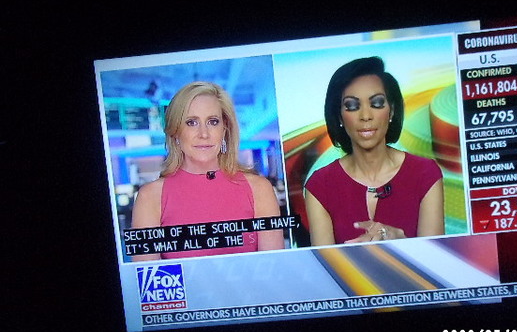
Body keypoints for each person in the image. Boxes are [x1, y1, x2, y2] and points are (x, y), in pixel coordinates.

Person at [131, 81, 284, 259]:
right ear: (176, 132)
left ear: (224, 129)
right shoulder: (149, 197)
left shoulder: (259, 189)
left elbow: (274, 269)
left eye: (213, 122)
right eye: (191, 122)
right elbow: (148, 275)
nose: (204, 134)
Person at [304, 57, 444, 245]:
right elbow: (325, 262)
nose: (365, 116)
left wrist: (403, 241)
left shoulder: (425, 174)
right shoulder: (320, 186)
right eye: (352, 106)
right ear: (339, 117)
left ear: (391, 111)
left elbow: (434, 259)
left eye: (377, 103)